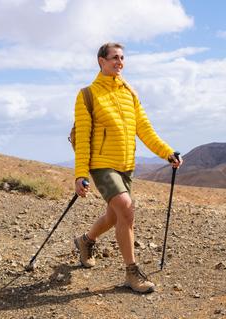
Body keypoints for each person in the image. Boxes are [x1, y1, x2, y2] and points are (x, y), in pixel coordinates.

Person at [73, 42, 183, 293]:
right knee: (126, 209)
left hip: (126, 166)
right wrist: (80, 174)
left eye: (122, 58)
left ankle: (85, 241)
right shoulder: (88, 94)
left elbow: (144, 129)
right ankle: (132, 273)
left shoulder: (129, 92)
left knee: (115, 216)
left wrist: (167, 152)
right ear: (101, 61)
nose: (119, 62)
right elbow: (83, 137)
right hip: (102, 165)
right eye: (114, 58)